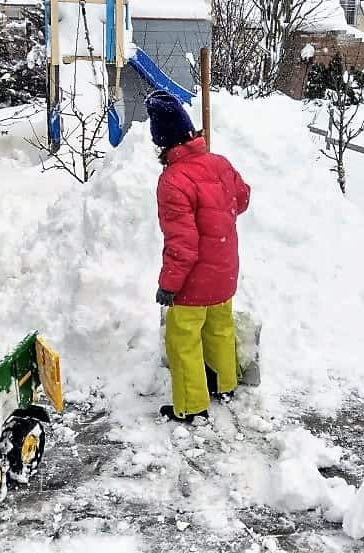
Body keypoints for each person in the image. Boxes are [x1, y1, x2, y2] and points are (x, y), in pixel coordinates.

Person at [145, 90, 251, 424]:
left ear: (162, 142)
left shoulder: (173, 181)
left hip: (193, 281)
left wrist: (168, 285)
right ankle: (224, 385)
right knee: (219, 327)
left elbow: (182, 243)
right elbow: (243, 198)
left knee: (183, 340)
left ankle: (191, 406)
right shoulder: (219, 163)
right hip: (225, 271)